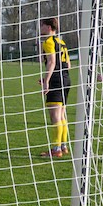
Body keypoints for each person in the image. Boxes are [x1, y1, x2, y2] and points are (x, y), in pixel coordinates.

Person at [39, 18, 73, 157]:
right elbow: (68, 64)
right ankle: (63, 146)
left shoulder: (48, 42)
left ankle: (56, 149)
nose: (40, 28)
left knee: (55, 116)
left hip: (56, 81)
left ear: (48, 27)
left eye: (42, 25)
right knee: (62, 114)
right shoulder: (61, 42)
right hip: (66, 79)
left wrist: (47, 80)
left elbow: (52, 62)